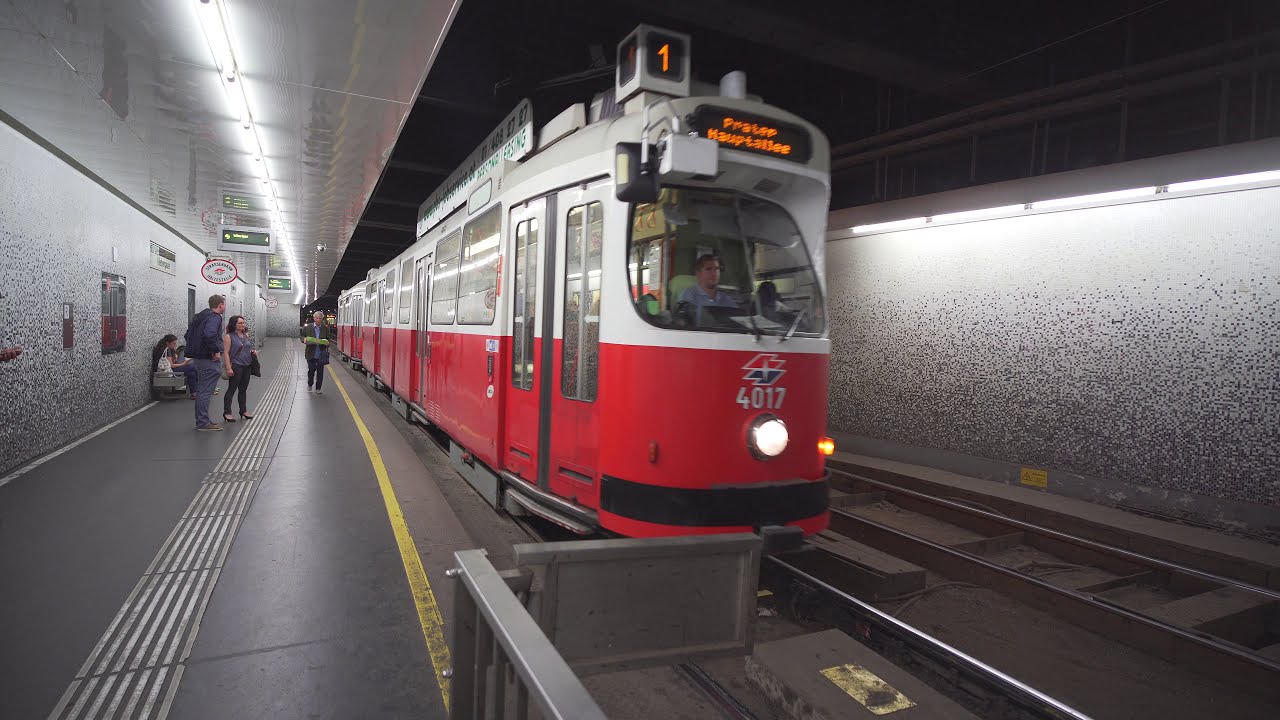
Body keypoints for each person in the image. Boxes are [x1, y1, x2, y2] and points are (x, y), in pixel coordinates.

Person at [185, 294, 226, 430]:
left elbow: (187, 335)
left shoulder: (200, 317)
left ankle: (202, 421)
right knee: (205, 391)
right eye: (224, 305)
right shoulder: (215, 317)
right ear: (220, 305)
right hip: (208, 358)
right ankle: (203, 422)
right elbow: (210, 335)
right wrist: (214, 351)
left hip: (199, 358)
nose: (224, 307)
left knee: (202, 390)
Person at [677, 254, 738, 324]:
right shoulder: (688, 296)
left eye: (716, 269)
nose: (714, 274)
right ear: (698, 273)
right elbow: (681, 325)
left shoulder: (727, 300)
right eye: (708, 269)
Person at [221, 315, 259, 422]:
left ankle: (243, 410)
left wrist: (253, 352)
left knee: (243, 389)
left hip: (247, 365)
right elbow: (226, 353)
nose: (243, 325)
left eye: (243, 323)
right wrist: (228, 368)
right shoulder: (229, 336)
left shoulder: (245, 335)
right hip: (236, 366)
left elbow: (247, 348)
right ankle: (227, 412)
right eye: (240, 323)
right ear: (234, 324)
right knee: (231, 389)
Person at [152, 334, 197, 398]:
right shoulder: (167, 350)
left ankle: (194, 393)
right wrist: (183, 364)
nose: (175, 345)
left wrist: (175, 358)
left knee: (191, 373)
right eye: (173, 343)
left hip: (165, 370)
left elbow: (169, 363)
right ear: (167, 343)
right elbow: (171, 365)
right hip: (168, 371)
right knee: (191, 367)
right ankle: (200, 389)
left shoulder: (162, 349)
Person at [300, 311, 332, 394]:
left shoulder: (325, 328)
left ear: (322, 319)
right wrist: (304, 339)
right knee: (311, 370)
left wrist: (327, 343)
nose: (318, 320)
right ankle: (310, 383)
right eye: (317, 318)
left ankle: (318, 388)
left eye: (320, 318)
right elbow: (302, 336)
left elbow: (328, 339)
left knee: (320, 372)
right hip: (310, 353)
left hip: (321, 354)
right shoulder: (307, 327)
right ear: (314, 318)